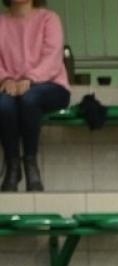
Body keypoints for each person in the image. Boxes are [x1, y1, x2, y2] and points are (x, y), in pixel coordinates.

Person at [0, 0, 68, 192]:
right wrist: (5, 79)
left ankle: (30, 163)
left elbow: (52, 57)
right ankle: (13, 165)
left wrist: (30, 79)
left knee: (30, 99)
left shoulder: (49, 18)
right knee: (3, 104)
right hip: (10, 87)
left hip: (50, 85)